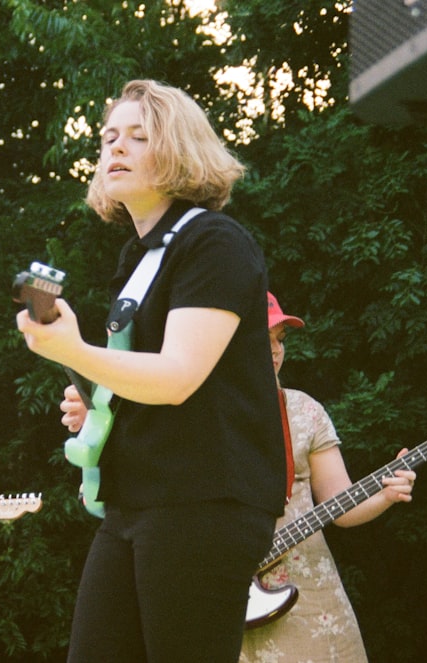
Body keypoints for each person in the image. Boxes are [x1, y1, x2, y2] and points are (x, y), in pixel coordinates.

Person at [16, 79, 286, 662]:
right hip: (137, 503)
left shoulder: (215, 242)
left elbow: (179, 375)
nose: (116, 148)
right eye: (110, 137)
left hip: (203, 501)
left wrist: (73, 350)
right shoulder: (141, 257)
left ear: (180, 151)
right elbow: (151, 382)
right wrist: (99, 408)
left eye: (139, 137)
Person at [239, 293, 416, 663]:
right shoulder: (198, 419)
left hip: (310, 593)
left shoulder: (305, 410)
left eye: (280, 339)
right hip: (226, 593)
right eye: (263, 338)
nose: (275, 350)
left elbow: (340, 503)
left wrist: (386, 495)